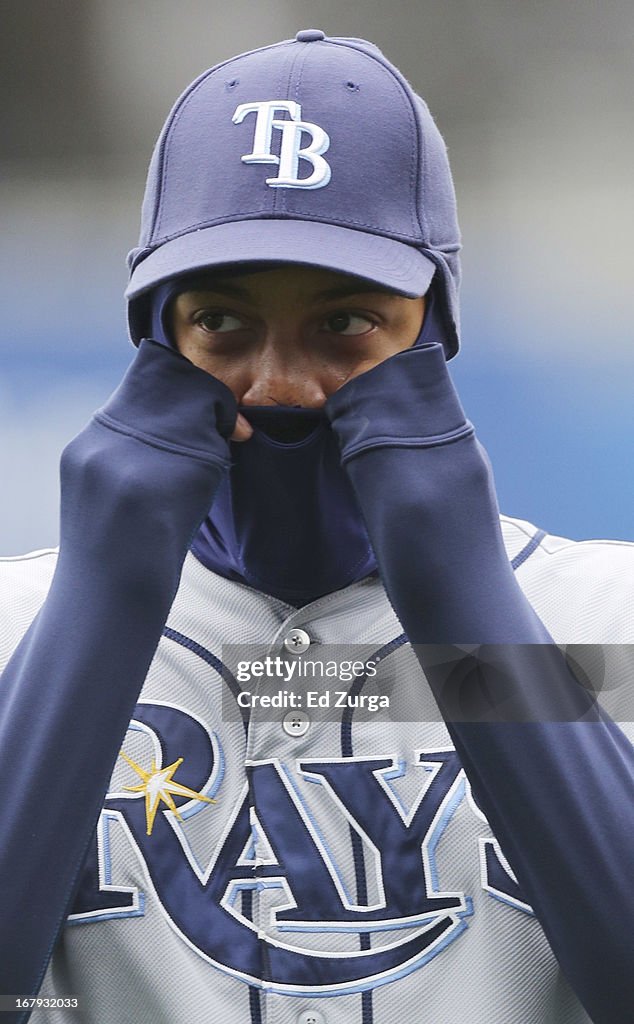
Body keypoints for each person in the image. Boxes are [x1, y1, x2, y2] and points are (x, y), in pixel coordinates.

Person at [0, 29, 632, 1024]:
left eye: (342, 323)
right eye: (222, 323)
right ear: (155, 333)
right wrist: (98, 614)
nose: (280, 384)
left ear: (435, 330)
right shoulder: (15, 628)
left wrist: (471, 616)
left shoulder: (606, 619)